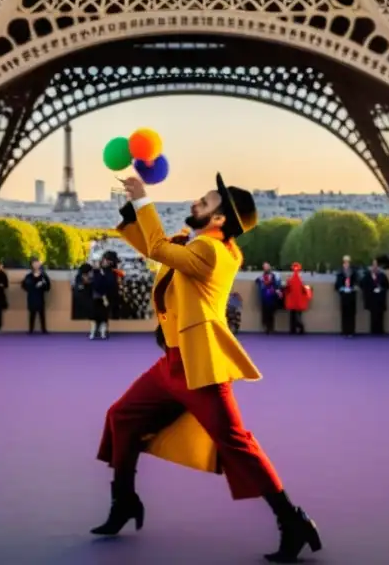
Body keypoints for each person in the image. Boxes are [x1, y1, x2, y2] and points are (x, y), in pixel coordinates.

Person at [93, 173, 322, 563]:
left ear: (219, 220)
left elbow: (158, 247)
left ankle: (292, 520)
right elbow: (156, 249)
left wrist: (144, 200)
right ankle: (125, 500)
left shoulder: (211, 253)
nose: (196, 202)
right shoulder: (204, 245)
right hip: (173, 363)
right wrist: (134, 207)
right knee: (122, 416)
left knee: (235, 443)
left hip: (199, 368)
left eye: (205, 201)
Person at [91, 251, 121, 340]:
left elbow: (112, 285)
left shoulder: (113, 273)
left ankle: (103, 331)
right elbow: (95, 284)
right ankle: (93, 331)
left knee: (104, 314)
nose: (104, 261)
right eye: (104, 259)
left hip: (107, 297)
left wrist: (105, 296)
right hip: (97, 296)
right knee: (94, 314)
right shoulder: (96, 271)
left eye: (107, 260)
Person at [21, 257, 51, 334]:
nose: (36, 265)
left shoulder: (43, 275)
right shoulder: (29, 276)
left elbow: (48, 287)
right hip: (31, 296)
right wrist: (32, 286)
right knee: (32, 313)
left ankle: (44, 329)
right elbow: (24, 285)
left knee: (42, 313)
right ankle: (31, 329)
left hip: (40, 296)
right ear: (31, 265)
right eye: (34, 264)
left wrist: (42, 285)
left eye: (37, 263)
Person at [359, 259, 389, 335]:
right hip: (372, 298)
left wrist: (381, 289)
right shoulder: (367, 276)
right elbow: (361, 285)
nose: (375, 267)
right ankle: (374, 330)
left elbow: (387, 286)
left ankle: (380, 330)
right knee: (373, 315)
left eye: (376, 265)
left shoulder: (382, 275)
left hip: (380, 298)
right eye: (373, 265)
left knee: (380, 315)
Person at [283, 263, 312, 334]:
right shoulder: (300, 278)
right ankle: (299, 329)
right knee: (298, 315)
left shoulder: (291, 278)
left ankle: (294, 329)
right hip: (299, 300)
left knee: (293, 314)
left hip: (292, 299)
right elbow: (304, 288)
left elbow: (287, 287)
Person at [254, 262, 283, 334]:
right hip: (264, 296)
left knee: (271, 312)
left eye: (267, 267)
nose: (266, 268)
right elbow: (257, 281)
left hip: (272, 296)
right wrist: (261, 280)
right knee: (265, 312)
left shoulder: (273, 276)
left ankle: (271, 327)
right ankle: (267, 328)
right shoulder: (261, 277)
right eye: (265, 267)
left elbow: (276, 285)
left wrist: (278, 291)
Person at [333, 255, 358, 337]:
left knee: (352, 313)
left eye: (348, 262)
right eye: (345, 262)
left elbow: (357, 282)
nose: (347, 263)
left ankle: (351, 331)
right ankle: (345, 330)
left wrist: (354, 287)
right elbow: (337, 285)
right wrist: (342, 288)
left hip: (351, 294)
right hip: (344, 295)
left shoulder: (353, 271)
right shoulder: (340, 272)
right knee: (344, 313)